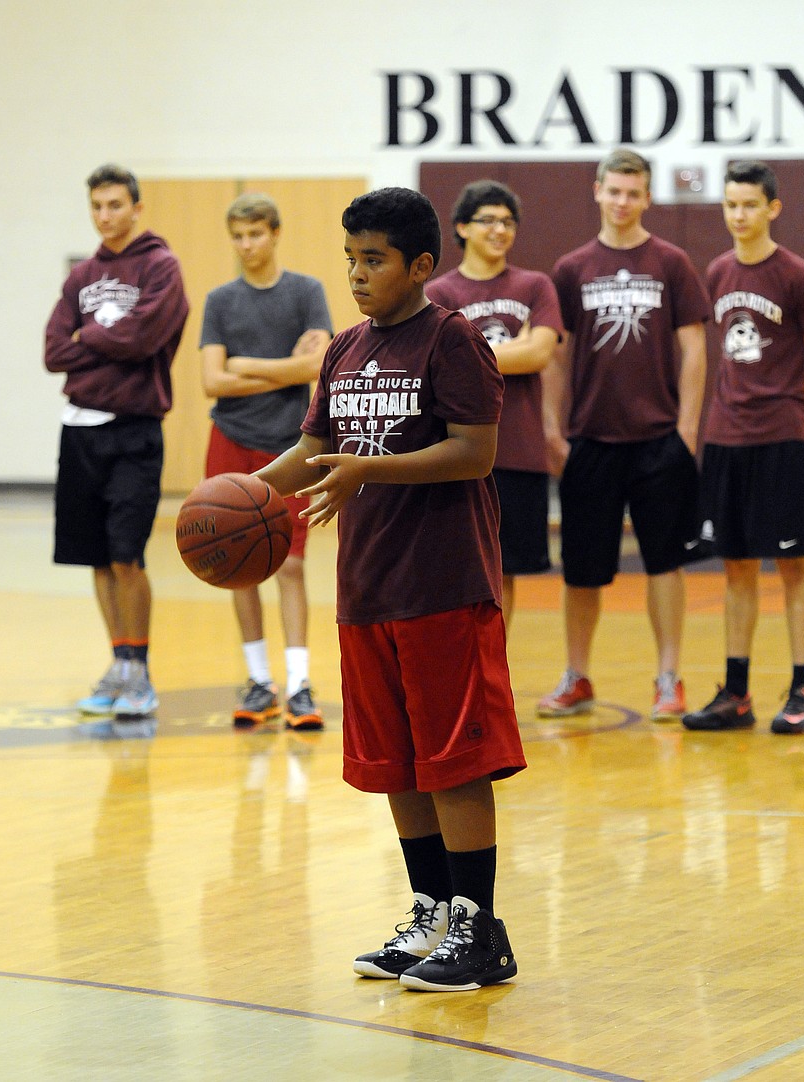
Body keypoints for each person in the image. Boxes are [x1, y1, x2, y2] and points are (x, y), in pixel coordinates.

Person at [255, 187, 526, 992]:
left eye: (373, 260)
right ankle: (432, 912)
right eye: (350, 259)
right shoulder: (343, 349)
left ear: (420, 265)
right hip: (368, 587)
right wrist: (240, 498)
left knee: (454, 764)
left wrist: (367, 468)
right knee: (397, 763)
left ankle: (480, 931)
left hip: (444, 583)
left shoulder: (454, 341)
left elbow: (475, 452)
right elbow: (312, 449)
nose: (358, 274)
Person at [539, 148, 711, 721]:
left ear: (647, 197)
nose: (622, 202)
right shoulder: (571, 268)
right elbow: (556, 357)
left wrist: (686, 429)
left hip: (660, 438)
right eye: (614, 191)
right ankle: (577, 675)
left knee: (664, 563)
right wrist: (551, 429)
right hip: (590, 439)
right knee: (582, 570)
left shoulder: (671, 261)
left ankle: (668, 677)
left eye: (633, 193)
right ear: (597, 190)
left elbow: (693, 348)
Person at [682, 161, 804, 735]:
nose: (738, 215)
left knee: (792, 565)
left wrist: (781, 395)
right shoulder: (716, 271)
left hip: (782, 438)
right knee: (736, 566)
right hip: (726, 437)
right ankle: (736, 694)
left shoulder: (798, 275)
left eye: (749, 205)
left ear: (772, 209)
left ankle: (801, 691)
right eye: (730, 204)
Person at [44, 164, 189, 719]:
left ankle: (141, 671)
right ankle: (117, 662)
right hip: (79, 429)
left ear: (135, 207)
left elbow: (143, 335)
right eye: (96, 207)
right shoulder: (81, 275)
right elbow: (53, 351)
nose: (105, 216)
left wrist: (89, 337)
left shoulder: (160, 265)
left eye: (114, 205)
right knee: (98, 560)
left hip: (133, 429)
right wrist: (100, 340)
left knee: (127, 555)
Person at [199, 193, 332, 731]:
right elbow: (212, 380)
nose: (247, 244)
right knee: (237, 564)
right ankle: (259, 681)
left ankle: (299, 683)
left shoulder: (306, 292)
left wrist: (247, 364)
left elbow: (319, 365)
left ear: (275, 233)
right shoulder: (220, 300)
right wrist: (290, 367)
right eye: (238, 235)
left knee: (292, 564)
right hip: (229, 438)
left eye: (255, 233)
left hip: (291, 442)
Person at [426, 180, 563, 628]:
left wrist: (471, 353)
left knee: (504, 579)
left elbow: (540, 353)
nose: (499, 229)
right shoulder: (440, 294)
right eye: (488, 220)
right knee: (454, 574)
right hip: (457, 455)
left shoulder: (535, 285)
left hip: (519, 453)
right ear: (462, 227)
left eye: (508, 221)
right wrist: (510, 353)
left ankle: (490, 680)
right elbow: (438, 368)